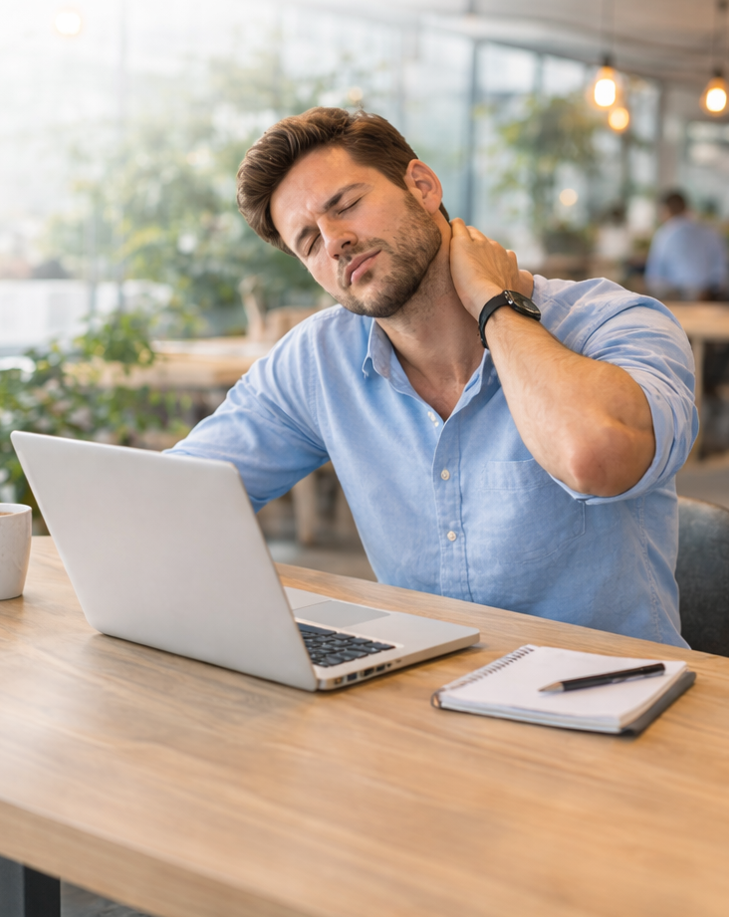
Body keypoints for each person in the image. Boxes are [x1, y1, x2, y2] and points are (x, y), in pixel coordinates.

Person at [169, 108, 697, 646]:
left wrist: (497, 305)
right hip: (421, 698)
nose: (334, 242)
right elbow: (172, 496)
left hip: (608, 697)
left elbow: (595, 457)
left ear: (421, 185)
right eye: (308, 242)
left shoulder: (611, 321)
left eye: (347, 204)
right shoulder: (317, 360)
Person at [646, 190, 728, 300]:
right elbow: (721, 271)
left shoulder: (664, 235)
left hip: (678, 300)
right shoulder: (710, 231)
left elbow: (654, 279)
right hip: (710, 298)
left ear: (666, 210)